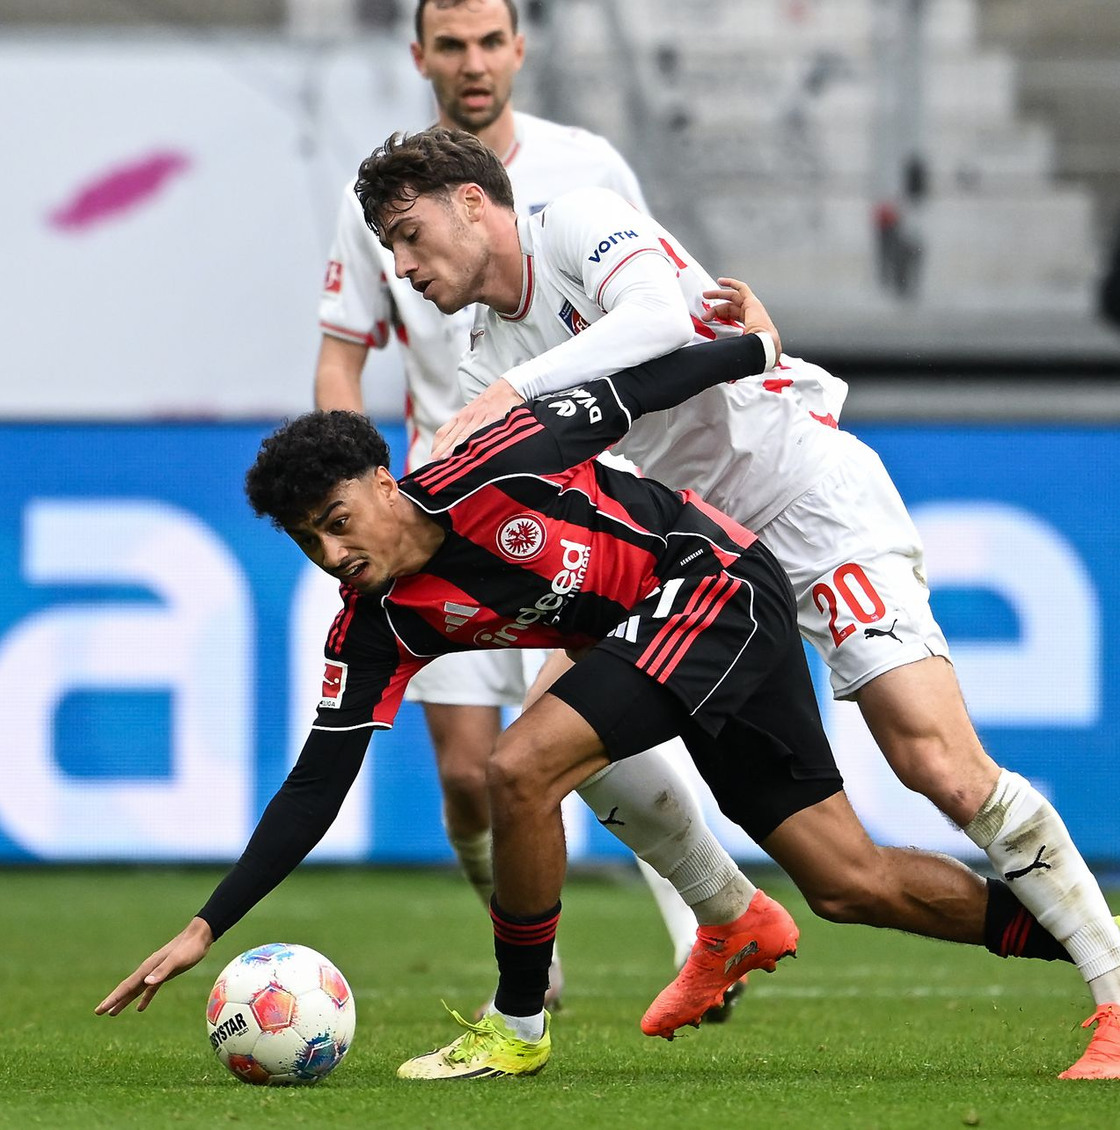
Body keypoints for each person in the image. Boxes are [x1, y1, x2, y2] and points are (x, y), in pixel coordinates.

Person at [96, 295, 1078, 1084]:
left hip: (719, 580)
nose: (333, 552)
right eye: (308, 541)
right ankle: (1086, 943)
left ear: (384, 482)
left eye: (337, 520)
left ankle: (518, 1025)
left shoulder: (491, 464)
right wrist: (203, 926)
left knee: (518, 769)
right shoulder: (376, 627)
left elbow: (631, 393)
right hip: (669, 636)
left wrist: (755, 349)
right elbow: (314, 786)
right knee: (848, 882)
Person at [351, 125, 1120, 1080]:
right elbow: (486, 483)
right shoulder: (479, 364)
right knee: (802, 862)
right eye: (388, 245)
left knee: (938, 764)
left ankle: (1114, 980)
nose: (401, 262)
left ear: (473, 203)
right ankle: (726, 915)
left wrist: (518, 389)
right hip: (694, 563)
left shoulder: (573, 226)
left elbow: (661, 324)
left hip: (806, 500)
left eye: (408, 233)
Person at [314, 0, 728, 1003]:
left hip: (575, 485)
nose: (472, 64)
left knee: (571, 724)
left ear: (518, 48)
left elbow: (654, 295)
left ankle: (699, 937)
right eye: (450, 47)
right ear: (421, 60)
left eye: (488, 41)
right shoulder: (375, 206)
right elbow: (340, 355)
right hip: (440, 509)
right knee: (467, 777)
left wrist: (729, 333)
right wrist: (352, 498)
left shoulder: (583, 168)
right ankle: (533, 961)